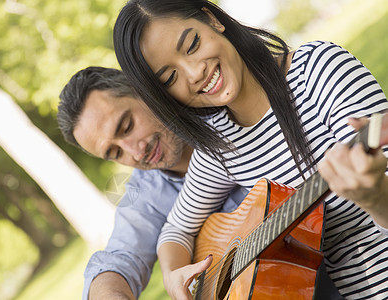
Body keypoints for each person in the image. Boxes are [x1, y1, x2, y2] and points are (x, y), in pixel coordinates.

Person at [113, 0, 388, 299]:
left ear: (212, 20)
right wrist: (173, 275)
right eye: (169, 77)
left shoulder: (319, 70)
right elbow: (176, 231)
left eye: (192, 44)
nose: (193, 73)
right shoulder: (219, 144)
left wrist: (375, 196)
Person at [57, 66, 249, 299]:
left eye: (127, 127)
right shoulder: (143, 192)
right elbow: (119, 260)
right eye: (115, 152)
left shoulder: (229, 106)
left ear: (142, 90)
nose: (135, 153)